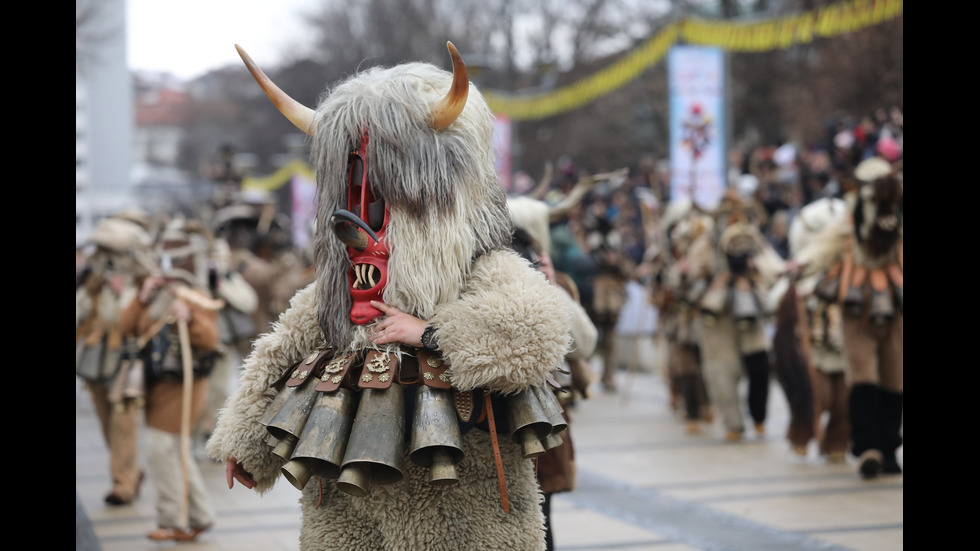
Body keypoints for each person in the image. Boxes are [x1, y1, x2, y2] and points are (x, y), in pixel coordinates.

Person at [206, 42, 571, 550]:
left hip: (463, 506)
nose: (367, 214)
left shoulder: (482, 269)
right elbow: (279, 354)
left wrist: (430, 332)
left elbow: (536, 332)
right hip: (343, 501)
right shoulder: (334, 290)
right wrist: (247, 445)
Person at [792, 157, 903, 478]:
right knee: (863, 376)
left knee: (895, 381)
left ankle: (888, 448)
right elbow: (822, 248)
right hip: (857, 308)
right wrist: (801, 265)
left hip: (895, 309)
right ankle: (867, 446)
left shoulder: (897, 212)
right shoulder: (847, 221)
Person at [120, 216, 223, 541]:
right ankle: (199, 516)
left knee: (161, 449)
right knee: (173, 450)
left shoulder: (196, 294)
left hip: (184, 385)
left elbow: (209, 338)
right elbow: (126, 330)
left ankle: (172, 520)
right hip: (154, 384)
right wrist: (143, 297)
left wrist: (190, 316)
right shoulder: (153, 290)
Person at [508, 195, 599, 551]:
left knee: (542, 517)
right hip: (499, 423)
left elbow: (586, 343)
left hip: (545, 417)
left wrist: (552, 288)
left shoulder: (555, 282)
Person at [691, 191, 786, 441]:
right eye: (727, 214)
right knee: (722, 372)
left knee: (760, 366)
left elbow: (775, 268)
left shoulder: (753, 240)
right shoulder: (707, 243)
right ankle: (733, 424)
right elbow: (688, 274)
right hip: (718, 319)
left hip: (751, 314)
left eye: (737, 213)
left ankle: (759, 418)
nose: (732, 219)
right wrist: (711, 276)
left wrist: (755, 272)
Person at [76, 212, 155, 506]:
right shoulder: (94, 285)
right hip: (96, 362)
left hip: (128, 362)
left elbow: (139, 321)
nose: (109, 259)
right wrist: (92, 291)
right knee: (106, 421)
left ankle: (122, 483)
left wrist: (127, 295)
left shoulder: (141, 283)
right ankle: (130, 472)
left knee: (124, 421)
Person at [768, 197, 851, 462]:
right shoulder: (803, 270)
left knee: (844, 398)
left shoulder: (851, 269)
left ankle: (839, 440)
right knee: (812, 393)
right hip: (810, 349)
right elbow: (775, 298)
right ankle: (802, 434)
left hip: (845, 346)